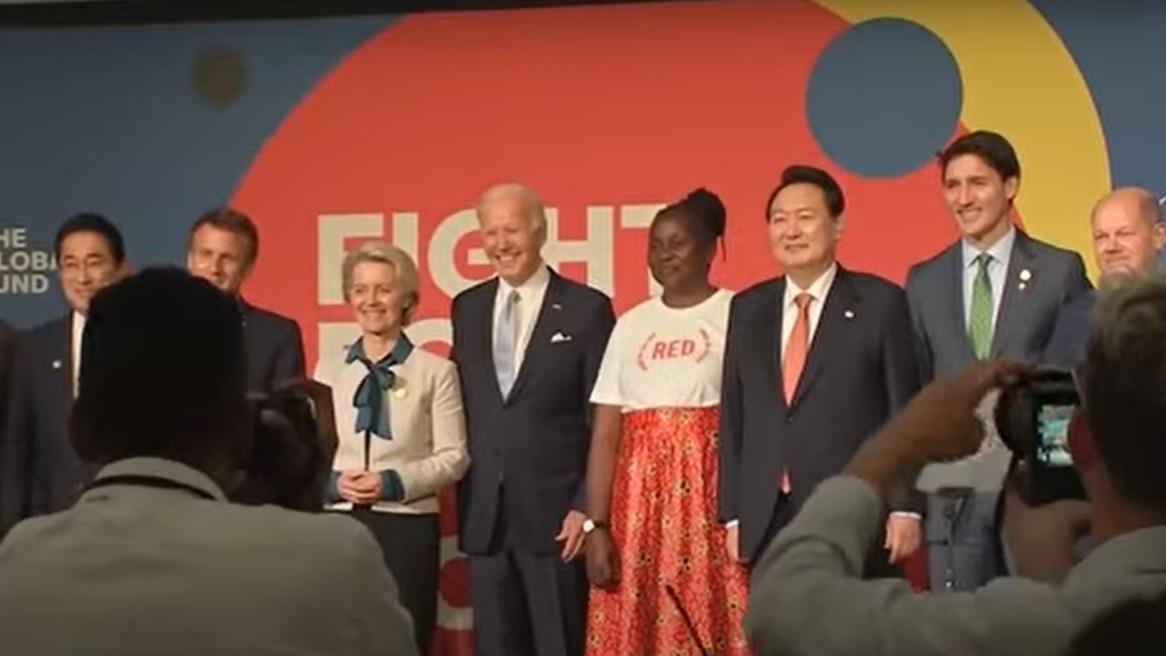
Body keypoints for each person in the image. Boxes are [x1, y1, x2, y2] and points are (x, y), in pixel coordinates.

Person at [0, 267, 417, 656]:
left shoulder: (17, 565)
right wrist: (304, 515)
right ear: (242, 426)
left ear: (77, 428)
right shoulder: (336, 562)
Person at [745, 273, 1166, 656]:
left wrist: (895, 444)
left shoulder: (1038, 627)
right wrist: (1053, 576)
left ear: (1081, 439)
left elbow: (782, 611)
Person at [905, 130, 1092, 590]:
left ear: (1010, 186)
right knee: (962, 623)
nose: (963, 198)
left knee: (1039, 621)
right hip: (956, 492)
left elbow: (1074, 380)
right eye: (953, 185)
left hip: (1035, 494)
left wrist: (1053, 476)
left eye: (978, 183)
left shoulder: (1059, 271)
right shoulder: (924, 282)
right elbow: (918, 388)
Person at [718, 165, 921, 575]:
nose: (791, 231)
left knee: (851, 618)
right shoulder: (748, 308)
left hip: (853, 510)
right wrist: (734, 513)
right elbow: (734, 417)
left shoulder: (880, 303)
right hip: (766, 515)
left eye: (805, 217)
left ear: (838, 225)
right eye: (780, 220)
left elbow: (905, 414)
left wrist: (906, 507)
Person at [451, 183, 615, 656]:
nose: (501, 243)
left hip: (558, 521)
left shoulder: (587, 309)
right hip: (486, 518)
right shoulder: (467, 308)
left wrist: (586, 507)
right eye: (491, 232)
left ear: (540, 231)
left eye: (512, 230)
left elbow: (603, 419)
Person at [583, 189, 748, 655]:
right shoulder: (631, 324)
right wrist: (597, 526)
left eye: (678, 243)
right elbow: (606, 433)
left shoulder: (739, 313)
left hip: (709, 502)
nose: (665, 254)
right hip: (636, 510)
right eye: (655, 245)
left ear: (710, 247)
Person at [315, 241, 469, 655]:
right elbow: (313, 452)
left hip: (407, 527)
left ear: (406, 299)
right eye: (360, 289)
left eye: (383, 289)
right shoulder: (327, 370)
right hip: (340, 523)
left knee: (404, 637)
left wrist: (392, 482)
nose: (371, 300)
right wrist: (334, 483)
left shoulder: (436, 372)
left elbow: (454, 456)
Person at [1, 212, 128, 533]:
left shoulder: (148, 345)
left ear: (120, 268)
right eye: (70, 264)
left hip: (128, 526)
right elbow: (17, 450)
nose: (82, 277)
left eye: (94, 263)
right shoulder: (33, 348)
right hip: (51, 529)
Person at [186, 207, 305, 393]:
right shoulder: (154, 328)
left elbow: (289, 410)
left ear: (247, 268)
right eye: (206, 255)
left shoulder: (277, 336)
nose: (214, 268)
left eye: (227, 259)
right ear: (190, 260)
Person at [1044, 187, 1164, 368]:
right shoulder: (1074, 317)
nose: (1111, 247)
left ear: (1158, 236)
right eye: (1101, 237)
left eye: (1124, 234)